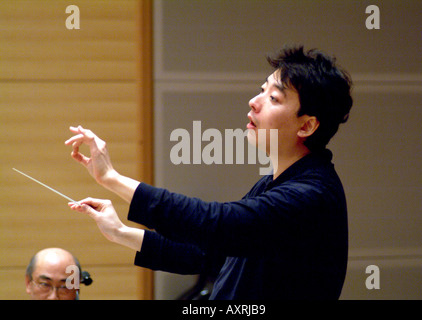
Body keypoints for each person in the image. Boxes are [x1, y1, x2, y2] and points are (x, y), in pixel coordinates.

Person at [66, 44, 353, 300]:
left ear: (306, 126)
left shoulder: (311, 196)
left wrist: (112, 179)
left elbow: (215, 224)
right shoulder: (275, 183)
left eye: (274, 98)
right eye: (262, 90)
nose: (255, 101)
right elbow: (210, 254)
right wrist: (120, 232)